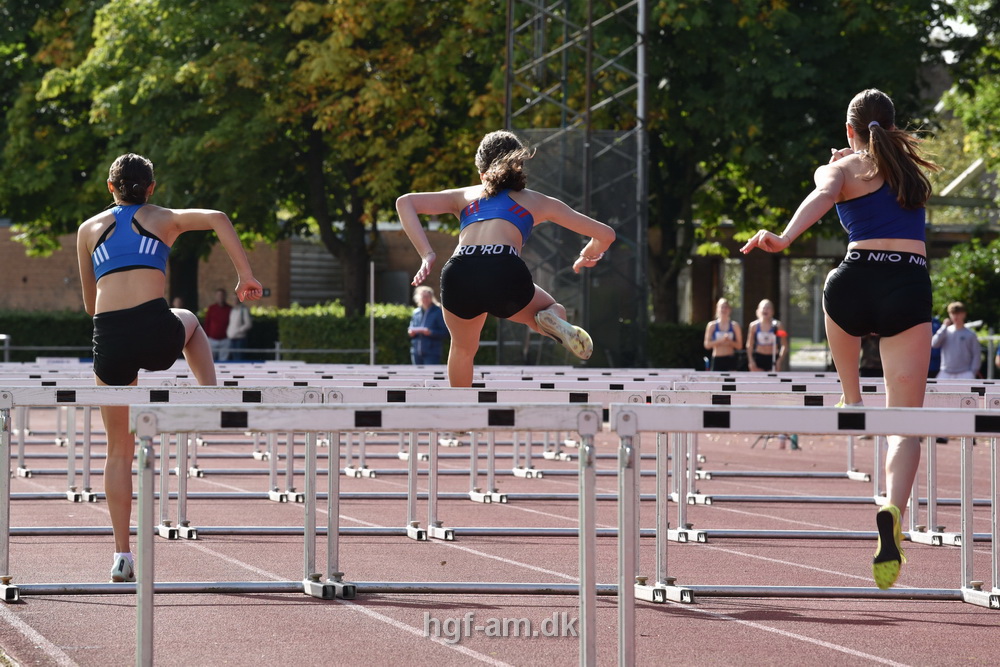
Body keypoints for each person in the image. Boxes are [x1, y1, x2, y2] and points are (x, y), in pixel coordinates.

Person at [741, 88, 940, 589]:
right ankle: (893, 506)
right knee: (906, 425)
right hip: (908, 282)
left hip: (855, 279)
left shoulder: (840, 169)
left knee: (838, 297)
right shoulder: (911, 172)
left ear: (848, 131)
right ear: (892, 128)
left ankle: (850, 396)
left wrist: (784, 237)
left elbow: (824, 197)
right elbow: (878, 167)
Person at [76, 153, 263, 583]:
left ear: (110, 188)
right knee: (191, 321)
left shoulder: (88, 230)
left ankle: (122, 554)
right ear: (152, 187)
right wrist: (244, 275)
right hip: (157, 331)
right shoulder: (164, 219)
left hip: (110, 340)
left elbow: (91, 307)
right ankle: (211, 400)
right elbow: (218, 217)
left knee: (117, 451)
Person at [396, 130, 615, 387]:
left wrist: (427, 254)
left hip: (460, 269)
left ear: (482, 171)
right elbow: (605, 234)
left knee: (463, 350)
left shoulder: (464, 196)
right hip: (503, 266)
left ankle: (460, 421)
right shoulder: (538, 201)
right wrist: (587, 255)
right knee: (550, 310)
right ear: (519, 166)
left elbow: (405, 202)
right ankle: (550, 320)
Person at [931, 301, 981, 379]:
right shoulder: (945, 331)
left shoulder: (970, 334)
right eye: (953, 313)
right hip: (945, 372)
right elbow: (934, 343)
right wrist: (943, 327)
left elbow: (976, 354)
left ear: (964, 314)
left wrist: (972, 372)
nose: (955, 316)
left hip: (965, 373)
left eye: (958, 313)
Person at [408, 285, 448, 364]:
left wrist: (431, 332)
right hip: (416, 351)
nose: (425, 299)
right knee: (417, 375)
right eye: (423, 297)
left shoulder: (438, 312)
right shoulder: (416, 312)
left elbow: (445, 332)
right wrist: (411, 332)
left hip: (432, 352)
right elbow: (411, 327)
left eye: (427, 296)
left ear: (431, 297)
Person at [746, 299, 786, 372]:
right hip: (759, 358)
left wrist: (779, 360)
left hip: (773, 358)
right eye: (763, 308)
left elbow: (784, 345)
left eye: (768, 308)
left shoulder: (777, 326)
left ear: (772, 311)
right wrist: (751, 361)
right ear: (758, 310)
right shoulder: (753, 326)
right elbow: (749, 345)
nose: (765, 310)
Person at [703, 298, 743, 371]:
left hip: (730, 359)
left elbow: (739, 346)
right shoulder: (712, 325)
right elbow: (707, 345)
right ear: (717, 309)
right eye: (722, 307)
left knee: (731, 382)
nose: (724, 309)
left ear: (730, 310)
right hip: (717, 359)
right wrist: (720, 341)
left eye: (726, 307)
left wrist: (729, 341)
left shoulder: (735, 326)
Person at [204, 288, 232, 361]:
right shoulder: (211, 308)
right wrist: (206, 337)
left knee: (224, 360)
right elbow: (207, 323)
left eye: (222, 295)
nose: (220, 297)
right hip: (212, 339)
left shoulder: (230, 309)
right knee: (210, 360)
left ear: (225, 296)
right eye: (219, 295)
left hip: (225, 340)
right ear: (216, 296)